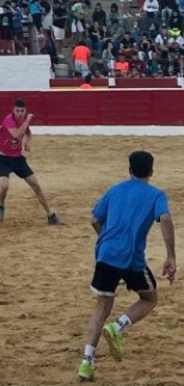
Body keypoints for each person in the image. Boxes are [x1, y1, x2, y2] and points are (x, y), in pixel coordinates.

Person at [76, 151, 176, 381]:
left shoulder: (115, 189)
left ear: (129, 170)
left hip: (105, 255)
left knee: (101, 308)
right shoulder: (156, 195)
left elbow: (94, 219)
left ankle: (86, 364)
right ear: (151, 171)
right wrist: (171, 256)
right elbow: (166, 220)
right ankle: (117, 327)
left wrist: (107, 240)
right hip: (131, 258)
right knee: (150, 298)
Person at [0, 98, 61, 224]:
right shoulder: (9, 120)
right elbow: (17, 135)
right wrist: (28, 120)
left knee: (36, 185)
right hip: (4, 159)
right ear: (13, 110)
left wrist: (27, 143)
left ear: (25, 111)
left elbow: (28, 134)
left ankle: (50, 215)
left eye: (22, 111)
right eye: (17, 111)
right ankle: (1, 205)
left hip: (18, 159)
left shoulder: (23, 121)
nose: (19, 113)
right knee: (4, 186)